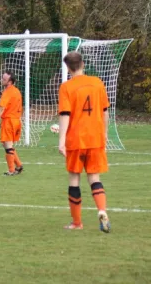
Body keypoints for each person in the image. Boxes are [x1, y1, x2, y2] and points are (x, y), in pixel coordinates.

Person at [58, 51, 111, 233]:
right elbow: (105, 112)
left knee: (74, 179)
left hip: (76, 140)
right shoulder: (97, 83)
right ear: (83, 64)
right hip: (95, 138)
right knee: (94, 178)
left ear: (68, 68)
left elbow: (65, 114)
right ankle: (102, 211)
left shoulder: (66, 87)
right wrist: (104, 133)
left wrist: (61, 141)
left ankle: (77, 222)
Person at [0, 70, 24, 176]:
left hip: (9, 121)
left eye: (4, 79)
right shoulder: (16, 91)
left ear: (10, 81)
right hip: (16, 120)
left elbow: (1, 108)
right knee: (6, 144)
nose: (2, 80)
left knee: (8, 145)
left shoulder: (7, 92)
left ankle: (11, 170)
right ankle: (18, 165)